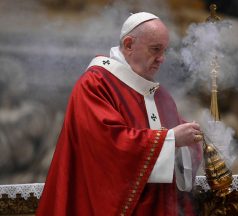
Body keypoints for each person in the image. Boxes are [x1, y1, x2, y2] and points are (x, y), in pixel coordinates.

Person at [36, 12, 203, 216]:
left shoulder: (160, 95)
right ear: (129, 44)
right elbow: (108, 146)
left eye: (164, 50)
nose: (162, 59)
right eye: (155, 49)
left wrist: (190, 141)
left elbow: (180, 147)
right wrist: (170, 140)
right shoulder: (95, 85)